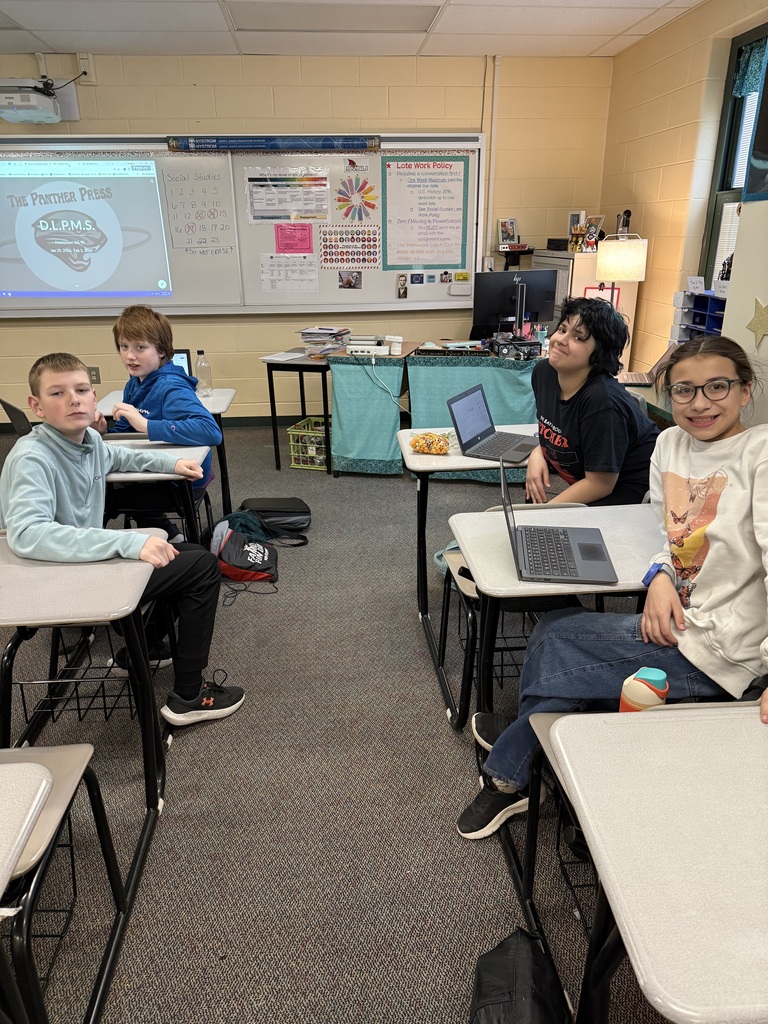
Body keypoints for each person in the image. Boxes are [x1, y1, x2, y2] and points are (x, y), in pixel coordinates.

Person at [458, 335, 768, 839]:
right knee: (558, 625)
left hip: (722, 650)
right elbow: (663, 529)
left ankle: (511, 774)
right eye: (684, 391)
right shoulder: (670, 444)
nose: (700, 403)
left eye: (717, 387)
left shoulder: (760, 454)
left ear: (745, 390)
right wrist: (661, 575)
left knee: (560, 649)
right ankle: (531, 733)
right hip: (680, 618)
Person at [0, 352, 244, 728]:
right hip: (51, 578)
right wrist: (127, 544)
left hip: (76, 564)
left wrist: (171, 465)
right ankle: (189, 696)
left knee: (190, 555)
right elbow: (29, 535)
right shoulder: (33, 457)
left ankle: (140, 651)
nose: (74, 400)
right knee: (200, 567)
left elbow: (116, 456)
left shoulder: (85, 443)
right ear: (36, 405)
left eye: (81, 390)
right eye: (57, 393)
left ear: (94, 396)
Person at [93, 304, 222, 541]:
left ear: (161, 350)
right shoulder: (136, 381)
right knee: (103, 484)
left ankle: (171, 537)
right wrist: (104, 431)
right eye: (124, 347)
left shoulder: (171, 387)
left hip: (180, 482)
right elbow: (126, 430)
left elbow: (211, 432)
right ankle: (158, 533)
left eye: (140, 347)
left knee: (103, 492)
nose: (130, 356)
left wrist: (146, 425)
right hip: (159, 470)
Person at [526, 296, 659, 506]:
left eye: (578, 338)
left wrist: (544, 513)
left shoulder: (602, 402)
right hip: (590, 476)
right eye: (562, 330)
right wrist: (537, 454)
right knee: (528, 515)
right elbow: (555, 431)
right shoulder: (544, 373)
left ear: (599, 354)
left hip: (631, 491)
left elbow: (600, 484)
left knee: (542, 526)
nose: (561, 339)